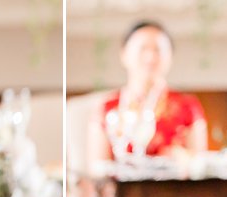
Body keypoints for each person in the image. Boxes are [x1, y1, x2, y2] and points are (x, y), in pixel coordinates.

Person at [86, 21, 208, 166]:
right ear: (124, 54)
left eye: (158, 50)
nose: (150, 57)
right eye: (142, 49)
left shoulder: (188, 106)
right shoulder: (107, 108)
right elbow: (97, 169)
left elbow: (199, 164)